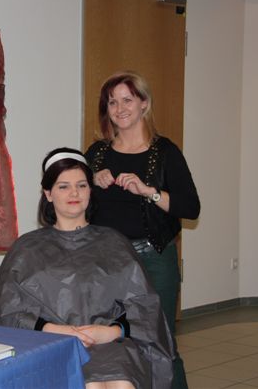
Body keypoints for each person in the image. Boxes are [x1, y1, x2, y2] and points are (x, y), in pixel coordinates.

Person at [0, 148, 174, 389]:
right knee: (89, 385)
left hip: (111, 344)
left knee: (122, 384)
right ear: (48, 193)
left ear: (90, 191)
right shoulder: (26, 248)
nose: (74, 193)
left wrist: (111, 332)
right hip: (49, 343)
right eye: (63, 186)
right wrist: (56, 330)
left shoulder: (114, 243)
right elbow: (7, 312)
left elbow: (144, 307)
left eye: (82, 185)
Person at [85, 71, 200, 389]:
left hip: (154, 260)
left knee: (162, 345)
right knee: (111, 344)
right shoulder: (96, 154)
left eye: (127, 100)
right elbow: (67, 200)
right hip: (105, 262)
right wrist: (89, 181)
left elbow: (191, 208)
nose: (120, 108)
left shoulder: (165, 152)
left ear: (144, 104)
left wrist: (149, 191)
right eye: (112, 102)